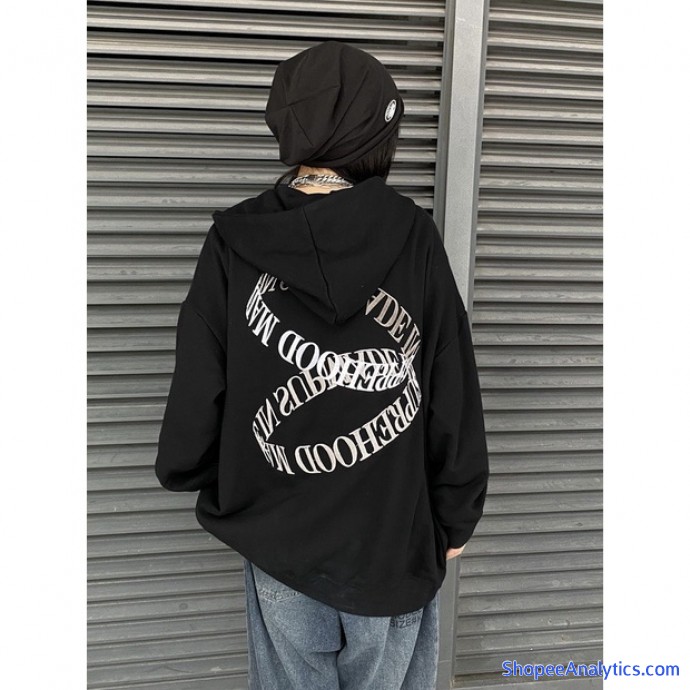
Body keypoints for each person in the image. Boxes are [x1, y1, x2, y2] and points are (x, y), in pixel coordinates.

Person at [154, 40, 489, 690]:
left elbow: (199, 378)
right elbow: (451, 385)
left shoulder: (235, 241)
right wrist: (458, 512)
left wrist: (199, 473)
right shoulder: (413, 236)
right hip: (391, 542)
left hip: (278, 537)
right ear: (375, 133)